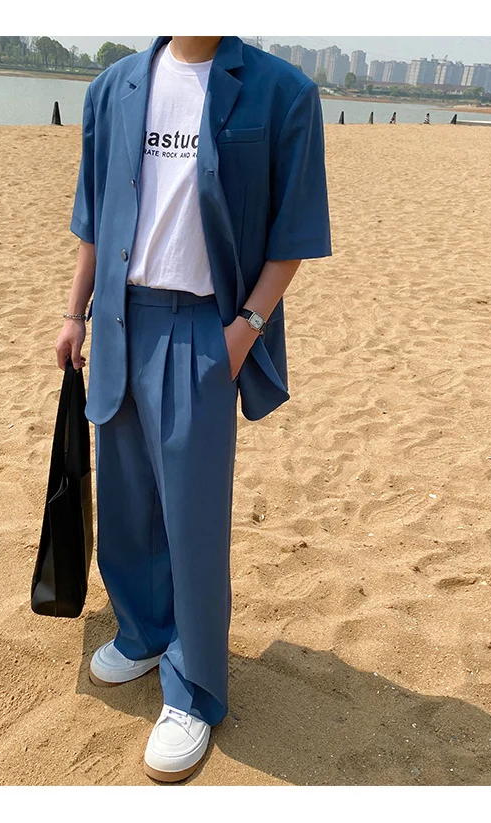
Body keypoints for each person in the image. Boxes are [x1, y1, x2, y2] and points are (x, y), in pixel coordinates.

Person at [55, 35, 332, 782]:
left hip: (205, 327)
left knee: (193, 520)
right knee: (127, 500)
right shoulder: (113, 87)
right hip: (121, 317)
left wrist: (243, 332)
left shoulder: (282, 92)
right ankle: (144, 631)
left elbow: (293, 232)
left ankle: (195, 688)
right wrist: (75, 313)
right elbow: (94, 214)